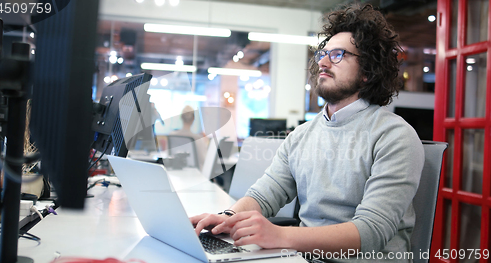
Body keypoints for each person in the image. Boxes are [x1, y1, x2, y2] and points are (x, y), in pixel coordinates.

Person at [190, 3, 424, 262]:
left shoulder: (394, 136)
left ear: (368, 71)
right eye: (323, 53)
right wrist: (226, 219)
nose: (322, 62)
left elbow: (370, 233)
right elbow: (265, 193)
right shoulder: (301, 135)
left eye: (337, 55)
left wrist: (279, 236)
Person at [170, 105, 208, 170]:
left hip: (176, 174)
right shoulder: (198, 139)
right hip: (193, 176)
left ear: (181, 117)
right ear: (193, 118)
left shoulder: (172, 136)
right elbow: (204, 161)